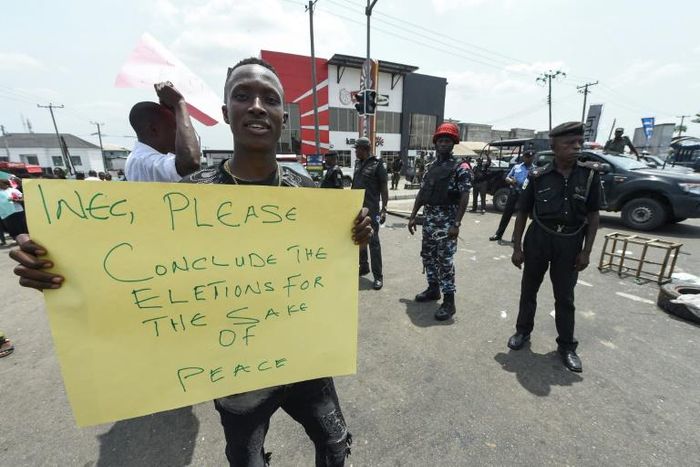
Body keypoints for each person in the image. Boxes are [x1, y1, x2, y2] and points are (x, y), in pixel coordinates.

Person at [10, 57, 372, 467]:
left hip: (307, 362)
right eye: (242, 95)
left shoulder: (306, 191)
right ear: (225, 114)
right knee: (247, 461)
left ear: (282, 116)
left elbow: (325, 269)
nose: (256, 105)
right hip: (237, 379)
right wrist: (56, 260)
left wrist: (355, 236)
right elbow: (127, 268)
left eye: (269, 98)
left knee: (336, 446)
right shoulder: (189, 197)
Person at [507, 121, 603, 373]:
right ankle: (522, 332)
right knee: (529, 291)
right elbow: (522, 212)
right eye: (569, 143)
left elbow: (594, 216)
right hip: (539, 239)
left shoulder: (590, 175)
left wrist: (586, 251)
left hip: (570, 242)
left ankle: (567, 347)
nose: (576, 147)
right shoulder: (538, 176)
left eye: (578, 142)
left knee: (565, 297)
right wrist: (517, 248)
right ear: (554, 146)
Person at [408, 122, 471, 321]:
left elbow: (464, 196)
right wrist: (412, 215)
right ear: (435, 144)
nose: (443, 144)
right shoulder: (430, 167)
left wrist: (456, 224)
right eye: (440, 141)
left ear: (453, 144)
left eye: (447, 141)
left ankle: (449, 302)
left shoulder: (461, 167)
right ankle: (433, 289)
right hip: (429, 220)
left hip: (447, 223)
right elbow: (422, 193)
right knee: (427, 256)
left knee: (445, 262)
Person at [124, 81, 201, 182]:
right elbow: (190, 162)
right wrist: (179, 103)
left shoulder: (139, 157)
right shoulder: (144, 161)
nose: (179, 134)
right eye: (175, 128)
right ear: (153, 130)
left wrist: (174, 111)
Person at [351, 136, 389, 290]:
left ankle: (378, 277)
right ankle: (364, 266)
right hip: (357, 209)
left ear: (365, 149)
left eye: (357, 149)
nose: (355, 152)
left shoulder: (377, 164)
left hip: (372, 209)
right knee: (360, 239)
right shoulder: (358, 164)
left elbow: (384, 188)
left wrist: (384, 208)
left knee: (373, 243)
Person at [489, 150, 535, 242]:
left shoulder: (534, 170)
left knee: (520, 217)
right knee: (506, 214)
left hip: (525, 195)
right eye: (526, 157)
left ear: (533, 158)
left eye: (530, 157)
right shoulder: (517, 167)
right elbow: (507, 177)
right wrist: (510, 181)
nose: (528, 159)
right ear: (524, 157)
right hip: (514, 192)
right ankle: (498, 234)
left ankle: (515, 237)